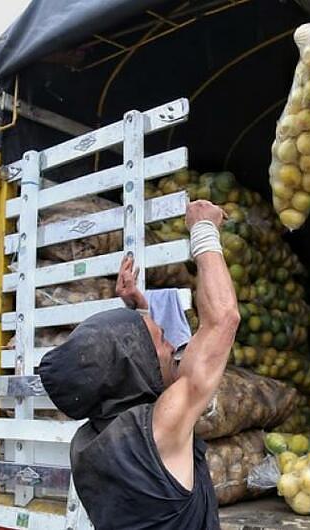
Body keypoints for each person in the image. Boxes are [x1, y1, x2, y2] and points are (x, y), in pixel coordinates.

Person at [39, 200, 239, 530]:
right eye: (162, 342)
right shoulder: (160, 430)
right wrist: (204, 229)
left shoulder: (86, 444)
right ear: (137, 365)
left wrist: (139, 314)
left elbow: (128, 374)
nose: (174, 346)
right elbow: (222, 320)